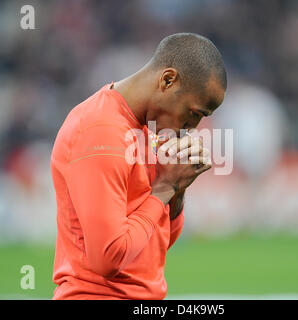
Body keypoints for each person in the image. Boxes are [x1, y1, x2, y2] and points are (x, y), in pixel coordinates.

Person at [50, 33, 227, 299]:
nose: (193, 127)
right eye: (194, 113)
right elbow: (108, 259)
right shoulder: (100, 131)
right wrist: (165, 187)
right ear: (168, 80)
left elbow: (157, 244)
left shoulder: (148, 128)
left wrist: (178, 189)